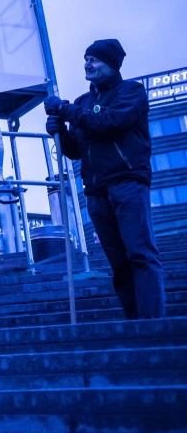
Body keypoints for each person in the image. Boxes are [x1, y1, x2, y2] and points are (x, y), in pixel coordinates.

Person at [45, 39, 165, 319]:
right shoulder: (83, 103)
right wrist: (60, 131)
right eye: (86, 59)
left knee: (140, 254)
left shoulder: (131, 92)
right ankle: (134, 322)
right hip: (96, 191)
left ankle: (152, 325)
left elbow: (108, 123)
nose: (88, 64)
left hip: (127, 183)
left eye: (95, 59)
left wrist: (65, 110)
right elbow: (76, 150)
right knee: (119, 263)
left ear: (112, 64)